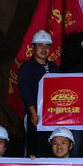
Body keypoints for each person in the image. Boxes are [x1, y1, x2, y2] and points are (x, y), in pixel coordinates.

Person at [18, 29, 58, 157]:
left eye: (47, 46)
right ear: (33, 47)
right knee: (34, 148)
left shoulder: (54, 68)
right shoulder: (27, 68)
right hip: (35, 115)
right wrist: (33, 113)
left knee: (50, 148)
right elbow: (25, 91)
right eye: (40, 45)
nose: (44, 49)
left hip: (52, 116)